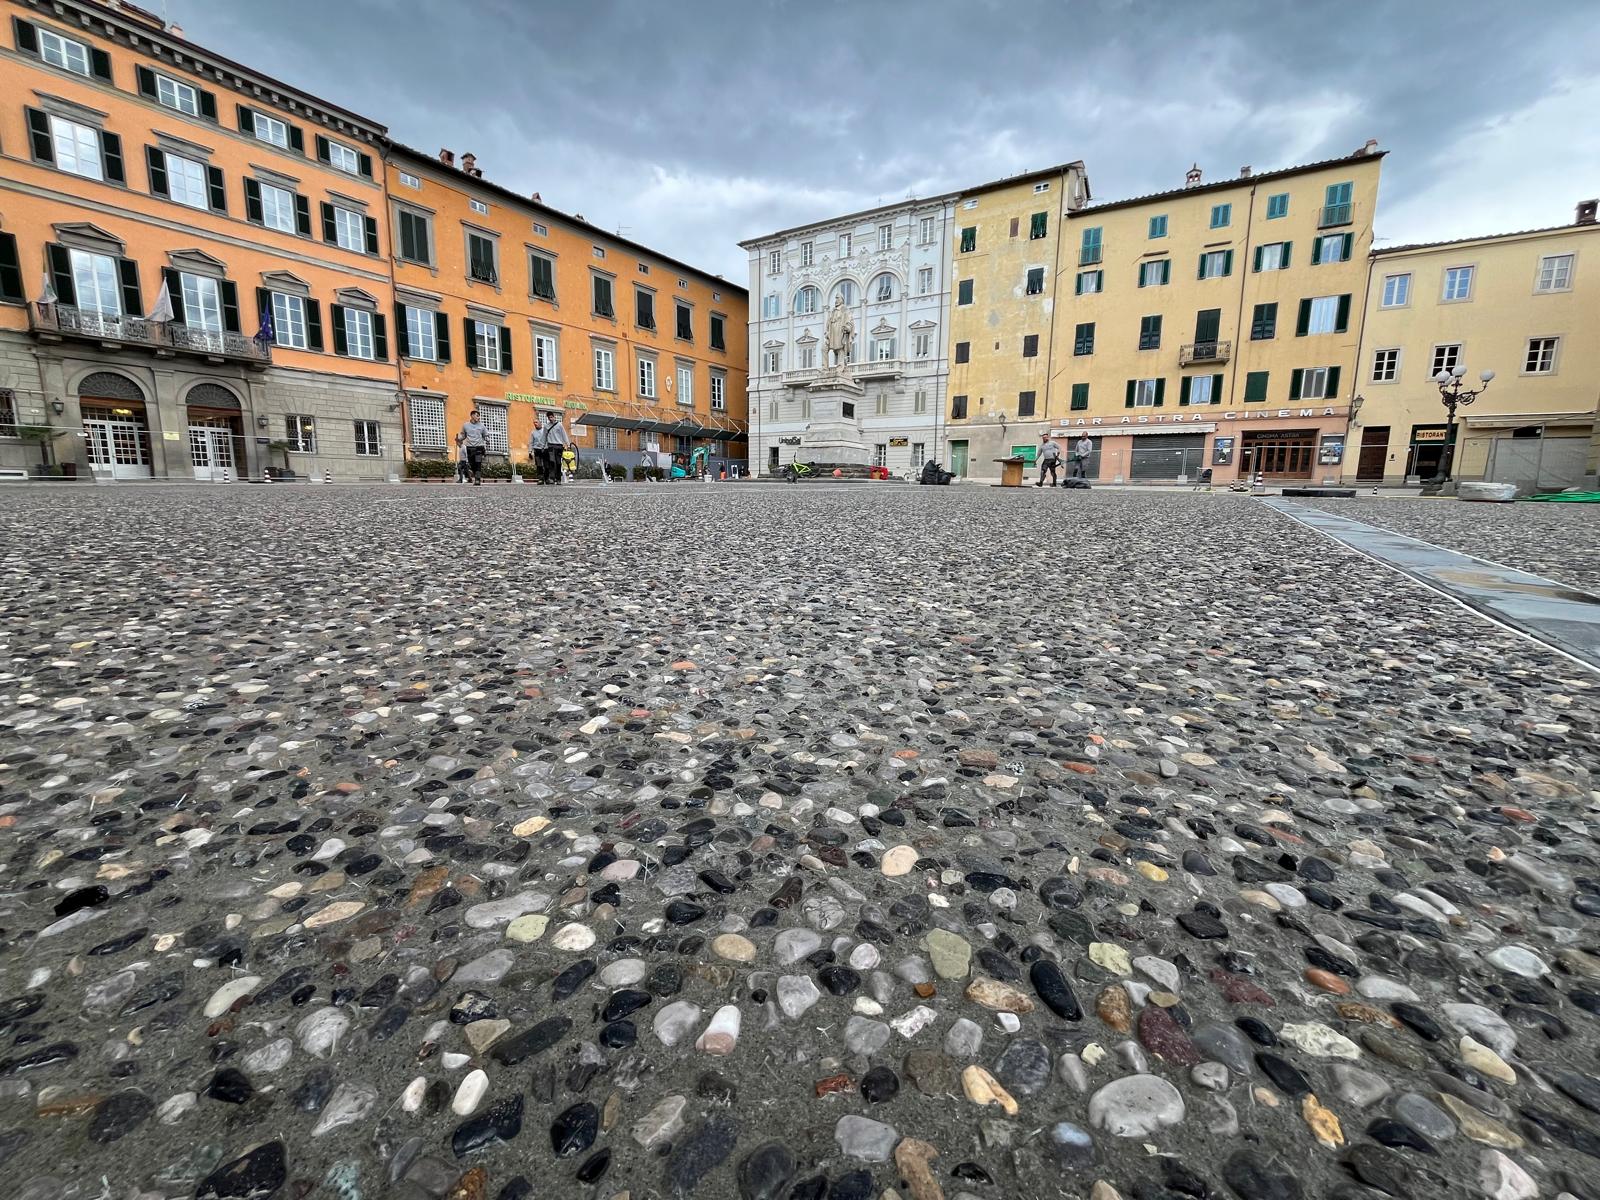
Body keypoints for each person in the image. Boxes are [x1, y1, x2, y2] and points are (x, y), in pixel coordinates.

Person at [458, 409, 488, 486]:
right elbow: (463, 435)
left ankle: (477, 480)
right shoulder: (465, 425)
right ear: (472, 416)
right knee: (472, 464)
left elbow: (485, 435)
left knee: (478, 463)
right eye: (477, 415)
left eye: (479, 416)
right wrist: (459, 438)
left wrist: (487, 439)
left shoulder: (482, 426)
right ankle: (476, 476)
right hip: (469, 447)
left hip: (479, 447)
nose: (478, 417)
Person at [543, 412, 570, 485]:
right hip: (550, 446)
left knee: (558, 463)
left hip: (559, 446)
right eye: (549, 417)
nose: (550, 419)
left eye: (551, 417)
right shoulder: (546, 426)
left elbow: (564, 434)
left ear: (554, 417)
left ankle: (558, 479)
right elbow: (544, 437)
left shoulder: (559, 425)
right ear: (548, 418)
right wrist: (542, 446)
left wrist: (568, 444)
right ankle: (552, 478)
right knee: (552, 462)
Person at [528, 416, 548, 484]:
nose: (535, 424)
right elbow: (531, 442)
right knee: (539, 465)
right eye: (534, 423)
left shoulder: (545, 431)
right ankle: (541, 479)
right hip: (537, 450)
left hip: (545, 449)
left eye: (536, 422)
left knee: (546, 465)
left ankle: (547, 478)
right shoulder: (533, 432)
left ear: (540, 423)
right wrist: (530, 452)